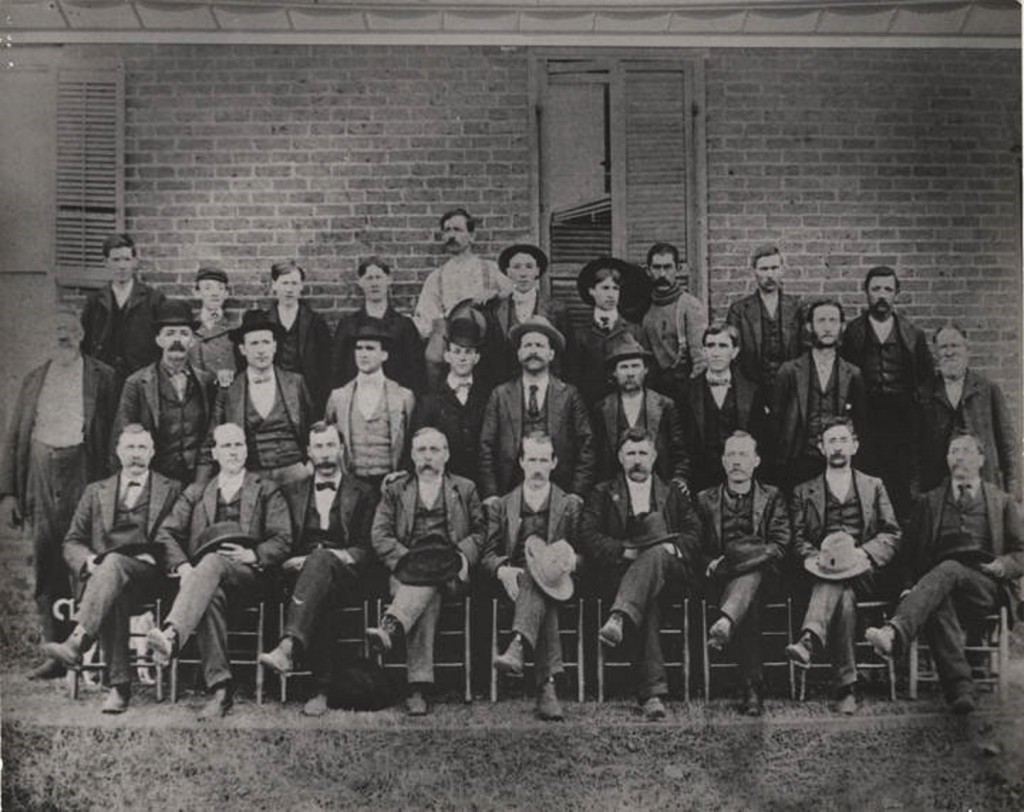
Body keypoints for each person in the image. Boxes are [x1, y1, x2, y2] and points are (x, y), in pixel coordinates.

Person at [865, 432, 1024, 714]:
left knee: (948, 570)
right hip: (938, 586)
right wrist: (910, 587)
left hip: (984, 586)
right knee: (940, 595)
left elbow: (1021, 552)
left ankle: (895, 631)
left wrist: (1002, 566)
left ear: (981, 459)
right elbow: (907, 554)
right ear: (947, 459)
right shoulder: (930, 502)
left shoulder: (1001, 501)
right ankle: (961, 689)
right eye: (953, 451)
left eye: (965, 451)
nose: (959, 457)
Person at [0, 307, 119, 678]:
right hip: (39, 472)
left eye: (68, 330)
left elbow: (113, 434)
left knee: (87, 559)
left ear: (81, 335)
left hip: (83, 470)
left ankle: (89, 650)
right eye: (55, 332)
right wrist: (9, 494)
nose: (62, 337)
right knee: (48, 560)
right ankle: (55, 652)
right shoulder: (34, 379)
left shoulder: (103, 376)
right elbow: (16, 435)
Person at [147, 423, 292, 720]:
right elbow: (165, 534)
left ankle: (173, 633)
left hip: (254, 578)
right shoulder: (197, 492)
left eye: (239, 445)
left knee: (211, 562)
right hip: (209, 582)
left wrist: (254, 554)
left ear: (247, 449)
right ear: (214, 452)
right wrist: (186, 567)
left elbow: (283, 538)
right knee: (209, 591)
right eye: (226, 446)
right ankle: (221, 690)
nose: (234, 452)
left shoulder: (266, 489)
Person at [40, 426, 182, 713]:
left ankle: (78, 641)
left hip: (149, 575)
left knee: (114, 566)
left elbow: (182, 536)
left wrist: (159, 555)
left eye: (142, 448)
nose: (135, 455)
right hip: (105, 578)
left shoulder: (173, 490)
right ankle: (120, 688)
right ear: (118, 452)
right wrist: (89, 561)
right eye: (129, 448)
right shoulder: (96, 491)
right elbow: (72, 541)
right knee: (111, 579)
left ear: (153, 453)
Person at [581, 429, 701, 721]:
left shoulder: (672, 492)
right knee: (647, 600)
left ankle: (619, 617)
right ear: (621, 458)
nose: (637, 460)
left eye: (643, 453)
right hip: (623, 573)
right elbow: (588, 535)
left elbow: (695, 534)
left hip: (671, 574)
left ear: (655, 456)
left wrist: (670, 551)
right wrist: (624, 551)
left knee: (657, 554)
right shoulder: (602, 492)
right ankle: (652, 695)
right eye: (631, 454)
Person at [364, 427, 485, 716]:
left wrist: (461, 557)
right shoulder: (395, 490)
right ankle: (418, 685)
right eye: (421, 450)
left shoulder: (465, 489)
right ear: (411, 456)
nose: (428, 457)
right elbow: (380, 535)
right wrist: (406, 561)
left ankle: (392, 626)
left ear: (447, 455)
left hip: (451, 569)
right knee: (426, 591)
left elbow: (481, 533)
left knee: (430, 578)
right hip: (408, 569)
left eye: (434, 450)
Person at [785, 417, 901, 714]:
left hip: (864, 569)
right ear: (821, 448)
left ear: (855, 445)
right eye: (831, 441)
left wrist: (864, 553)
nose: (837, 447)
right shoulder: (803, 491)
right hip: (820, 571)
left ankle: (810, 638)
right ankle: (846, 689)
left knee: (842, 583)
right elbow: (796, 539)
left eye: (842, 440)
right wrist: (813, 557)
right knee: (843, 597)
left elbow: (892, 533)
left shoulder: (874, 486)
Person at [259, 423, 377, 716]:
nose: (324, 454)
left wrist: (331, 557)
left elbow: (367, 547)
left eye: (330, 446)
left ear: (341, 449)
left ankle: (289, 648)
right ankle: (320, 689)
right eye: (318, 448)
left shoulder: (364, 492)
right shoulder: (290, 491)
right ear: (308, 452)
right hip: (297, 573)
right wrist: (298, 559)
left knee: (321, 566)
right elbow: (282, 539)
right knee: (317, 587)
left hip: (347, 573)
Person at [487, 432, 582, 721]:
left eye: (544, 459)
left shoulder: (570, 505)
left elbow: (584, 554)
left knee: (542, 581)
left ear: (554, 462)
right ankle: (548, 687)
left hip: (558, 581)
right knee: (535, 583)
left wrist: (568, 562)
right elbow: (487, 553)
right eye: (532, 459)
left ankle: (518, 645)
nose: (538, 467)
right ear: (521, 462)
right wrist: (502, 569)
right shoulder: (502, 505)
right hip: (514, 582)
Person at [697, 431, 791, 716]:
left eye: (744, 455)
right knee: (745, 593)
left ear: (756, 461)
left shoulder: (772, 496)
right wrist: (715, 563)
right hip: (717, 580)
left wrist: (735, 560)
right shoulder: (705, 499)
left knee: (749, 581)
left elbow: (779, 545)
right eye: (732, 455)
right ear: (724, 462)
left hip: (765, 580)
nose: (737, 461)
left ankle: (727, 621)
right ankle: (753, 687)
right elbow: (695, 548)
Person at [840, 266, 934, 520]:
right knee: (867, 476)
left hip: (903, 420)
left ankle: (902, 542)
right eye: (876, 289)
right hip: (866, 418)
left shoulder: (912, 334)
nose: (881, 295)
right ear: (866, 292)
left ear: (897, 294)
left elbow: (926, 376)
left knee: (901, 480)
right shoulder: (853, 332)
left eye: (888, 289)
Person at [479, 315, 595, 502]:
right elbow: (486, 447)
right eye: (528, 345)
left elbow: (586, 445)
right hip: (509, 494)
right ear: (518, 353)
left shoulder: (569, 395)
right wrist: (492, 494)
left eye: (540, 346)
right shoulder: (500, 395)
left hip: (559, 494)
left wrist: (576, 493)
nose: (533, 351)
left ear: (551, 354)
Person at [112, 300, 218, 484]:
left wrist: (201, 483)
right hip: (155, 478)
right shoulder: (137, 383)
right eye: (170, 333)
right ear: (159, 340)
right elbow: (123, 436)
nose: (177, 340)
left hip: (196, 478)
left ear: (192, 341)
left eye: (184, 333)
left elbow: (211, 437)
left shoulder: (206, 382)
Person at [916, 323, 1019, 501]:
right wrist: (916, 494)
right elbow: (914, 449)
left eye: (955, 346)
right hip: (938, 489)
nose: (949, 352)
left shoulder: (988, 390)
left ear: (967, 350)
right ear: (936, 353)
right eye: (943, 347)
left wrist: (1014, 489)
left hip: (983, 486)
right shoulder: (924, 394)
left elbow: (1007, 444)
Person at [210, 309, 312, 489]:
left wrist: (309, 466)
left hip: (295, 470)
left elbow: (313, 425)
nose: (261, 350)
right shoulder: (229, 389)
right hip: (253, 473)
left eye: (266, 342)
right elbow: (213, 436)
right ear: (243, 349)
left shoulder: (295, 382)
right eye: (254, 343)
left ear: (274, 346)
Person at [413, 208, 512, 389]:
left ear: (471, 236)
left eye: (457, 230)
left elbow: (514, 296)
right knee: (433, 358)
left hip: (486, 339)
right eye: (447, 230)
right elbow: (426, 317)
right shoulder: (436, 277)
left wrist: (495, 294)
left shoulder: (490, 269)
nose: (451, 235)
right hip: (453, 340)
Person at [773, 299, 865, 491]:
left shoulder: (852, 373)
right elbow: (778, 419)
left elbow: (860, 420)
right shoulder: (789, 371)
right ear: (809, 326)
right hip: (799, 460)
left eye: (833, 321)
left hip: (838, 459)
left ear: (842, 326)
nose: (827, 327)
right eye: (821, 320)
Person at [324, 321, 415, 494]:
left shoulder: (403, 397)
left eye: (370, 348)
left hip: (391, 484)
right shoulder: (339, 397)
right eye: (359, 348)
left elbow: (412, 441)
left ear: (384, 355)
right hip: (351, 486)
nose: (363, 354)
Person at [680, 323, 767, 494]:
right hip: (700, 478)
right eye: (710, 346)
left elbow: (760, 440)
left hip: (740, 477)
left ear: (734, 352)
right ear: (704, 351)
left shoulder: (752, 391)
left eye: (723, 346)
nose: (716, 352)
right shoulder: (686, 392)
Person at [593, 333, 688, 487]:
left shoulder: (665, 405)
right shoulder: (602, 408)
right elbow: (595, 455)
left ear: (645, 370)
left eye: (635, 366)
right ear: (614, 373)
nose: (630, 373)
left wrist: (679, 479)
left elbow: (679, 452)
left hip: (657, 486)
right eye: (624, 367)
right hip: (614, 490)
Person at [409, 316, 488, 482]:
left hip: (479, 483)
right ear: (447, 356)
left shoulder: (487, 397)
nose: (462, 358)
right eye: (457, 351)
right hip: (442, 483)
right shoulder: (430, 400)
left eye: (468, 352)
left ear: (477, 358)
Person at [80, 233, 167, 384]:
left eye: (127, 259)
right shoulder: (95, 301)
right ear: (106, 262)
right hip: (103, 381)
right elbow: (84, 344)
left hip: (141, 379)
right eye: (116, 260)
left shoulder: (153, 299)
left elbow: (163, 344)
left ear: (135, 262)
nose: (122, 266)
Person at [331, 256, 425, 394]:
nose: (374, 283)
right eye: (369, 278)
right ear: (360, 282)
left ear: (388, 280)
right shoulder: (348, 326)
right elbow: (337, 371)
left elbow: (416, 373)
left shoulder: (404, 326)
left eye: (378, 277)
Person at [725, 244, 804, 405]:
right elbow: (733, 355)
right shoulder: (739, 311)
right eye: (764, 269)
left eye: (774, 268)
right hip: (753, 392)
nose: (770, 275)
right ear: (754, 271)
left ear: (782, 270)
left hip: (791, 390)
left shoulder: (797, 308)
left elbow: (805, 352)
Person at [565, 257, 647, 407]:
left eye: (615, 289)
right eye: (605, 288)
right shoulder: (579, 335)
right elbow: (573, 378)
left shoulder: (635, 330)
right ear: (592, 291)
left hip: (626, 408)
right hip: (590, 408)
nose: (611, 294)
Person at [486, 243, 571, 383]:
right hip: (505, 386)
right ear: (508, 272)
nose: (523, 273)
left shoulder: (557, 309)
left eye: (529, 267)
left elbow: (567, 355)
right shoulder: (495, 309)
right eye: (517, 267)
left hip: (545, 384)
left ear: (537, 271)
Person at [639, 242, 707, 401]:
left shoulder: (690, 306)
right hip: (654, 393)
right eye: (656, 267)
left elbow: (701, 361)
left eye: (668, 267)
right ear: (648, 270)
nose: (662, 274)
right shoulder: (645, 308)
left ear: (678, 269)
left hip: (684, 391)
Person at [265, 260, 333, 418]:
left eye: (294, 283)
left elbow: (326, 367)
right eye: (285, 283)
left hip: (307, 396)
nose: (289, 289)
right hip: (273, 394)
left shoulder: (316, 322)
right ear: (274, 285)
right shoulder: (264, 321)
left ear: (301, 286)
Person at [187, 265, 240, 389]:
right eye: (208, 288)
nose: (215, 293)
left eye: (220, 288)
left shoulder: (235, 331)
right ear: (197, 293)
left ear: (226, 294)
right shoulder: (187, 329)